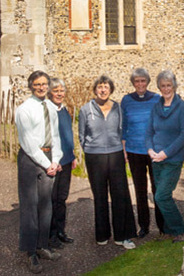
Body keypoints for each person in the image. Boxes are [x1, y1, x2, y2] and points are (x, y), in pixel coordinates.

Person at [78, 75, 137, 249]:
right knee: (100, 196)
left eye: (106, 87)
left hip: (115, 154)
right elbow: (82, 135)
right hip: (94, 157)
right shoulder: (85, 109)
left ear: (111, 89)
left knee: (120, 195)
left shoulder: (118, 108)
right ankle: (102, 234)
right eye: (100, 87)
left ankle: (122, 236)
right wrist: (91, 149)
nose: (103, 90)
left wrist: (122, 150)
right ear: (95, 89)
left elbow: (122, 131)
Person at [15, 70, 62, 274]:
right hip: (30, 159)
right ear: (31, 86)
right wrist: (46, 163)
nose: (41, 87)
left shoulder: (51, 107)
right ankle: (30, 252)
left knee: (46, 205)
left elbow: (56, 135)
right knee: (30, 206)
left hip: (49, 157)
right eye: (37, 85)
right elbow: (27, 142)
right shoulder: (24, 109)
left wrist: (56, 160)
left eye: (44, 84)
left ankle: (43, 246)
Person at [145, 70, 184, 243]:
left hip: (172, 159)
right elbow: (149, 131)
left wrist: (166, 153)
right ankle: (170, 230)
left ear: (174, 86)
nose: (166, 89)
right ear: (159, 87)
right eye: (162, 86)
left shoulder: (183, 107)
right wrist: (150, 150)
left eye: (168, 85)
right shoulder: (156, 107)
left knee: (161, 196)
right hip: (156, 159)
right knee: (163, 195)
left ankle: (181, 230)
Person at [121, 68, 163, 238]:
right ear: (133, 83)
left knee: (157, 188)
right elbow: (124, 127)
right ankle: (144, 226)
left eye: (143, 81)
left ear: (147, 82)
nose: (140, 84)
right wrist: (124, 149)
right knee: (140, 190)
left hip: (153, 151)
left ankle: (162, 225)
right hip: (134, 150)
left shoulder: (157, 99)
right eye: (137, 81)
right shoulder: (126, 100)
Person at [48, 78, 76, 249]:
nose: (59, 94)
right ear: (50, 93)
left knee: (62, 198)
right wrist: (53, 160)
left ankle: (61, 231)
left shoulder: (64, 110)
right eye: (56, 90)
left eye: (61, 91)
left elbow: (67, 135)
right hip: (54, 162)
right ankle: (51, 235)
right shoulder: (48, 111)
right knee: (52, 199)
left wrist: (72, 156)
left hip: (66, 160)